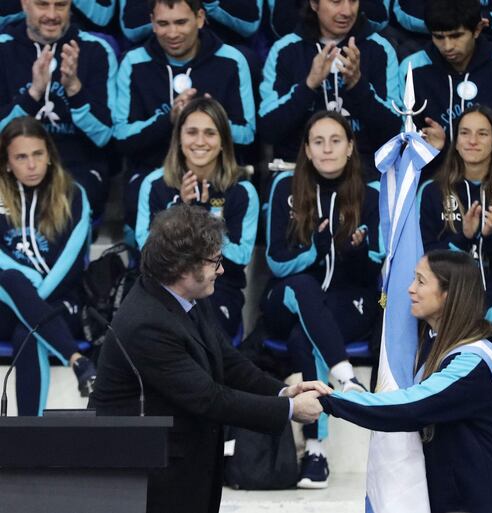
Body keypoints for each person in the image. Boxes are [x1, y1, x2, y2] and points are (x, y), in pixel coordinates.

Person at [89, 203, 330, 513]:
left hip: (184, 469)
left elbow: (227, 361)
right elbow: (209, 399)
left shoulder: (187, 296)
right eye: (215, 261)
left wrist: (283, 390)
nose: (222, 269)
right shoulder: (146, 323)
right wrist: (289, 410)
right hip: (149, 482)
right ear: (182, 268)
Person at [321, 249, 492, 513]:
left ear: (449, 294)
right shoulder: (429, 343)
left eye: (421, 281)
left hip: (473, 503)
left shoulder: (476, 359)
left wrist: (330, 401)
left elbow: (411, 406)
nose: (410, 289)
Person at [262, 111, 383, 488]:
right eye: (318, 141)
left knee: (303, 337)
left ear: (350, 148)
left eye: (336, 140)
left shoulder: (373, 192)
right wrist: (316, 249)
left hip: (347, 304)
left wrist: (354, 252)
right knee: (303, 286)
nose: (327, 148)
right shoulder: (285, 185)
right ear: (307, 150)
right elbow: (276, 261)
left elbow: (379, 264)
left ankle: (316, 451)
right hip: (287, 298)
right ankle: (347, 380)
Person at [113, 0, 255, 241]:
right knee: (140, 193)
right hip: (154, 172)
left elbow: (247, 133)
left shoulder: (232, 60)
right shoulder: (134, 62)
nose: (172, 33)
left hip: (216, 174)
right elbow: (121, 137)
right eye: (163, 24)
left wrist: (212, 120)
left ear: (199, 19)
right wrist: (168, 119)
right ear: (152, 23)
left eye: (181, 22)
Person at [135, 97, 257, 339]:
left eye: (210, 133)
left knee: (203, 336)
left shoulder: (242, 190)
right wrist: (181, 209)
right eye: (192, 132)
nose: (200, 141)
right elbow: (147, 251)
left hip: (219, 288)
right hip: (163, 287)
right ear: (179, 138)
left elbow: (240, 258)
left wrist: (200, 217)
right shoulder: (154, 184)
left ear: (223, 141)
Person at [0, 116, 96, 415]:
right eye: (21, 157)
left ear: (50, 156)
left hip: (61, 300)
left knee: (26, 332)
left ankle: (28, 436)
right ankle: (77, 360)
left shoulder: (73, 195)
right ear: (6, 162)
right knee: (11, 277)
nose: (31, 165)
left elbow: (72, 262)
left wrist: (33, 295)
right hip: (7, 301)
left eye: (38, 154)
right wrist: (25, 285)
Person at [418, 105, 492, 333]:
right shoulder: (432, 190)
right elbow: (423, 260)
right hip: (445, 310)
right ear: (456, 142)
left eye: (482, 134)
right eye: (465, 133)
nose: (473, 140)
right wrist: (464, 237)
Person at [0, 0, 118, 218]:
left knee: (65, 203)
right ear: (25, 4)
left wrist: (74, 89)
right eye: (43, 5)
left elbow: (104, 136)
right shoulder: (3, 49)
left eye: (60, 5)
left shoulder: (96, 50)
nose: (52, 15)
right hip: (12, 168)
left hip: (76, 167)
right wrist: (33, 94)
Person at [259, 0, 400, 179]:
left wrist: (358, 85)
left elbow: (393, 131)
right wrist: (309, 85)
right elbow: (269, 129)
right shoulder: (285, 50)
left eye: (353, 1)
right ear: (314, 4)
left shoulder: (380, 49)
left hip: (363, 172)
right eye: (336, 2)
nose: (347, 11)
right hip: (299, 170)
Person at [401, 0, 492, 177]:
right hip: (435, 178)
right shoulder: (412, 68)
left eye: (456, 36)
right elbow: (404, 135)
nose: (447, 46)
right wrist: (427, 142)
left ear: (477, 30)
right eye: (439, 37)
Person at [118, 0, 263, 45]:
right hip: (159, 50)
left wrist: (210, 4)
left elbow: (250, 25)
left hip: (221, 46)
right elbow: (131, 30)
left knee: (246, 60)